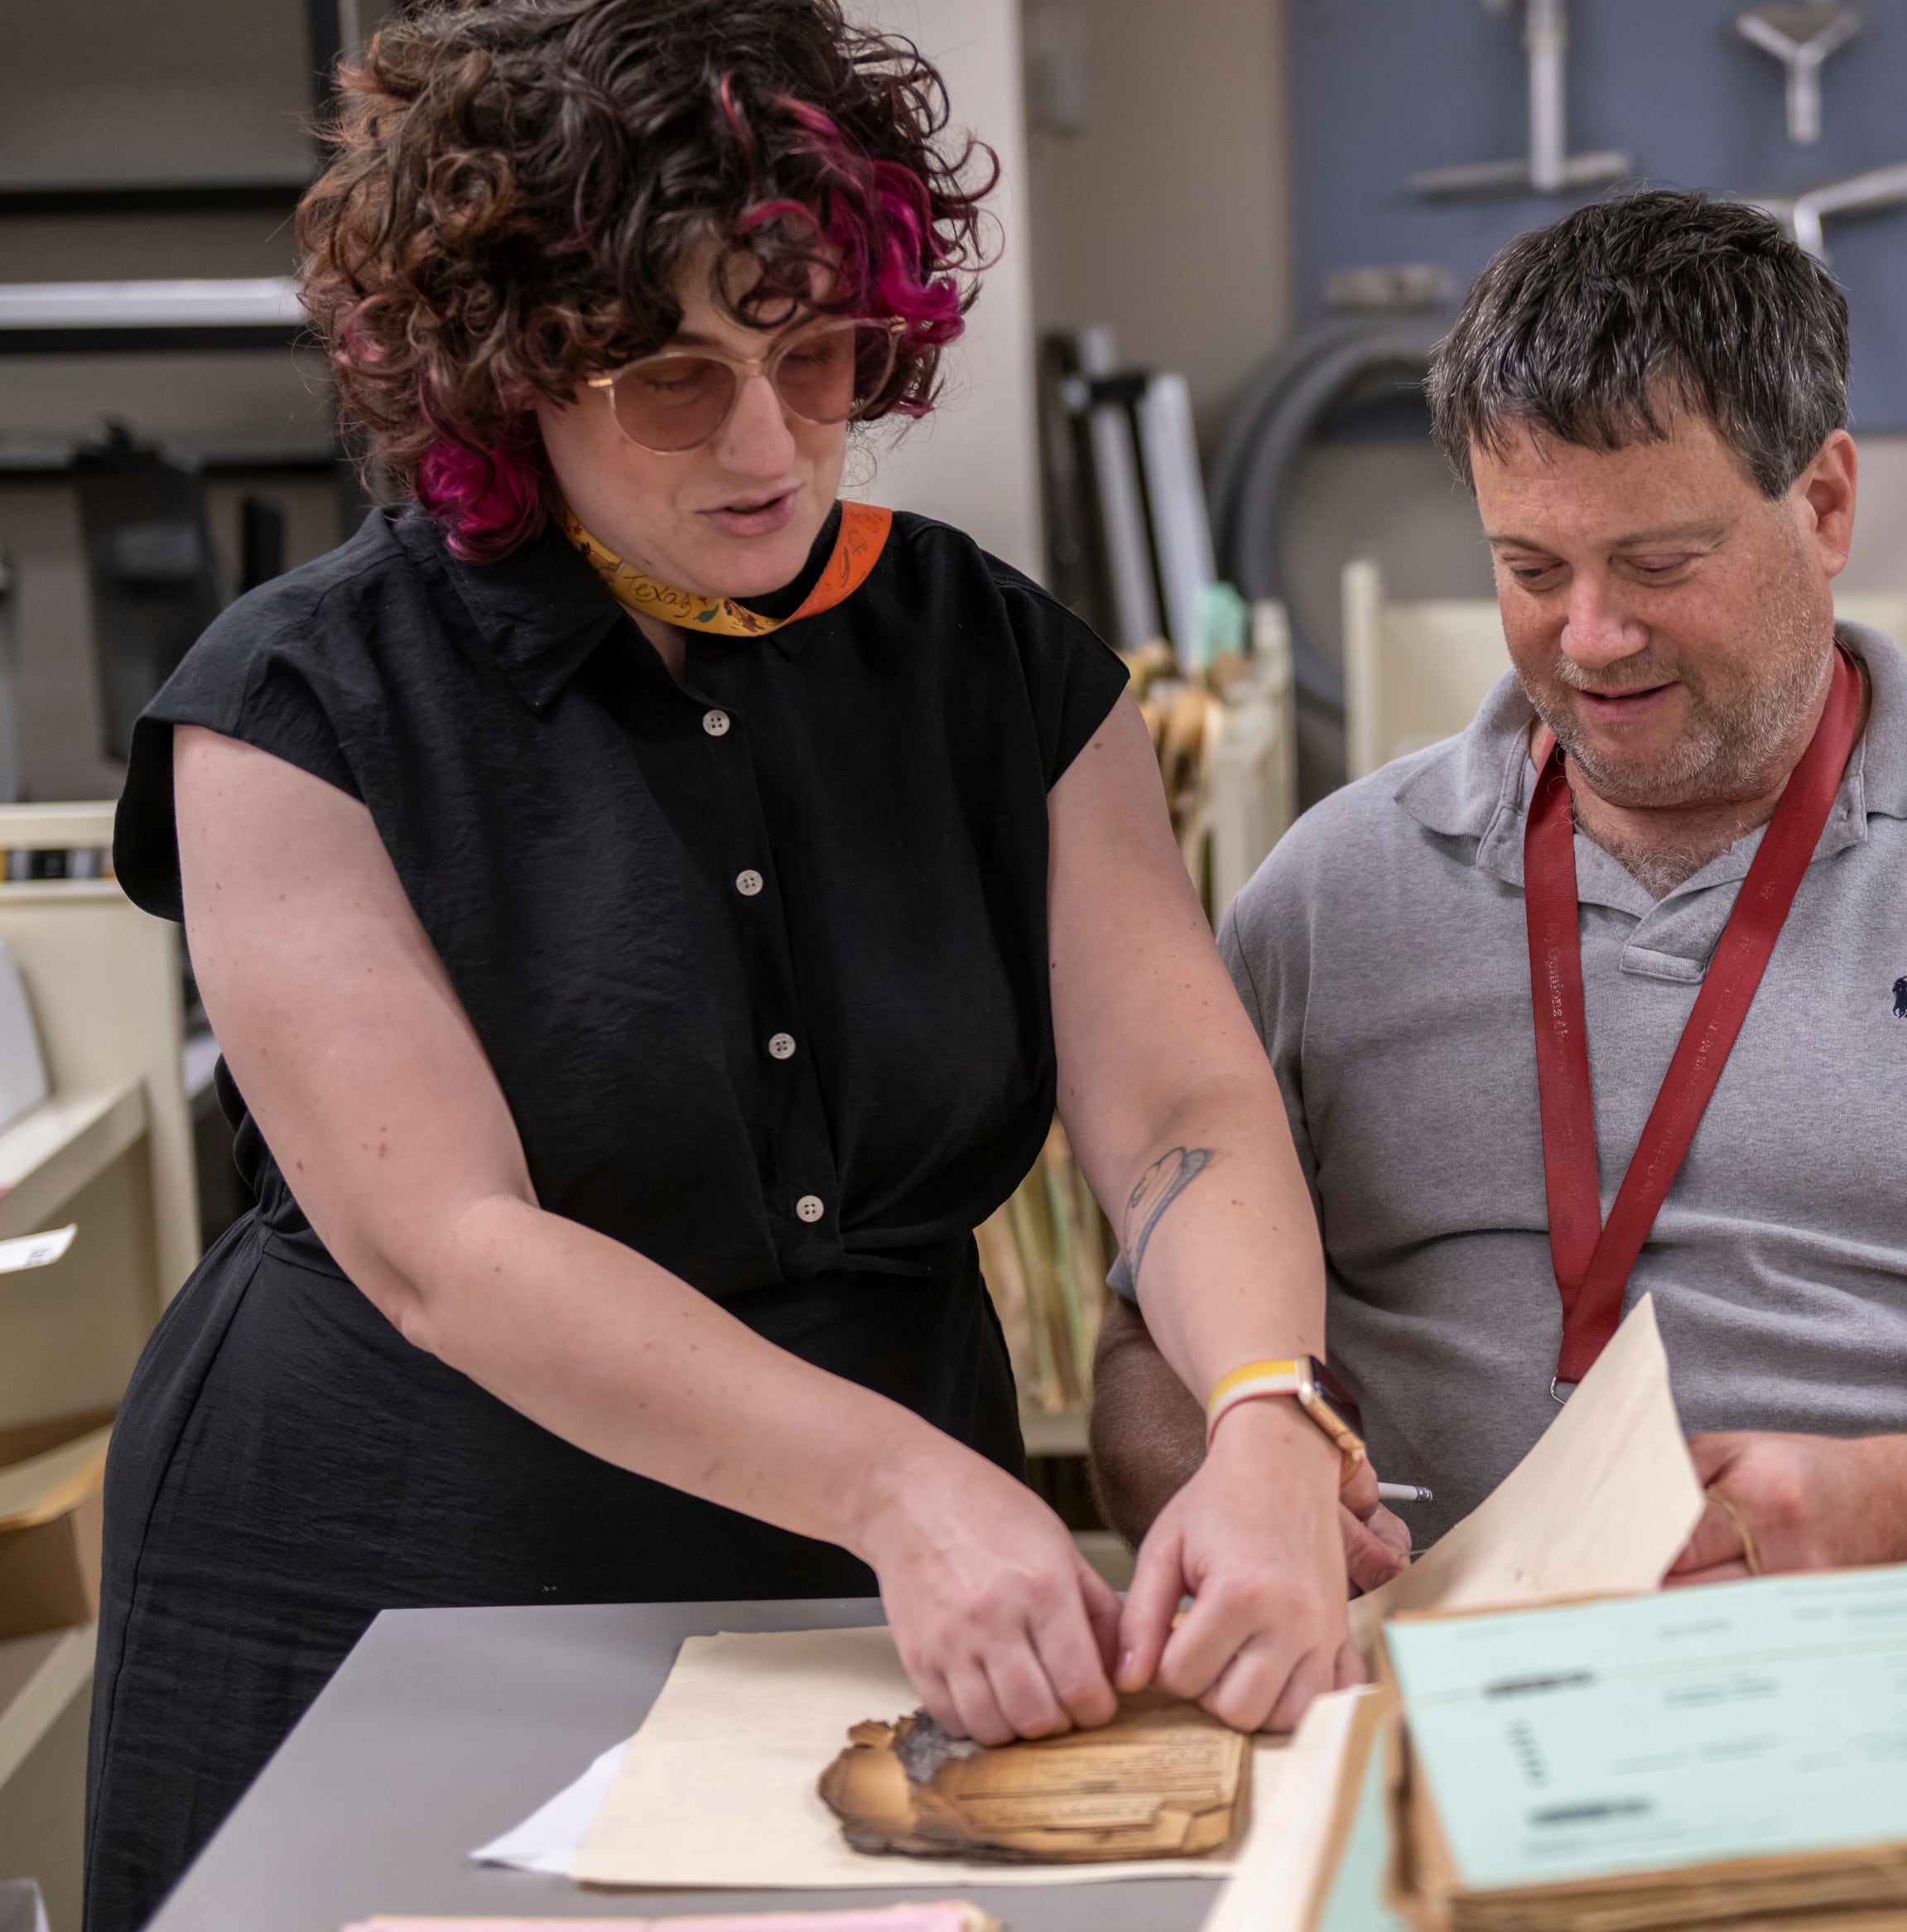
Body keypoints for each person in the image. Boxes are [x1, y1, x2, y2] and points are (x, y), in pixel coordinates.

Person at [86, 6, 1365, 1926]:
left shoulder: (992, 665)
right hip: (415, 1555)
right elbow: (451, 1244)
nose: (772, 443)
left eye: (815, 353)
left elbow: (1175, 1097)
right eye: (673, 381)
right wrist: (900, 1488)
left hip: (893, 1591)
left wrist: (1269, 1408)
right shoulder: (297, 711)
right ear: (510, 382)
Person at [1091, 190, 1907, 1592]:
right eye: (1530, 568)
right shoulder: (1331, 893)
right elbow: (1143, 1359)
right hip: (1427, 1658)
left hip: (1897, 1631)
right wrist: (1239, 1495)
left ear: (1825, 503)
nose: (1589, 637)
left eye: (1659, 564)